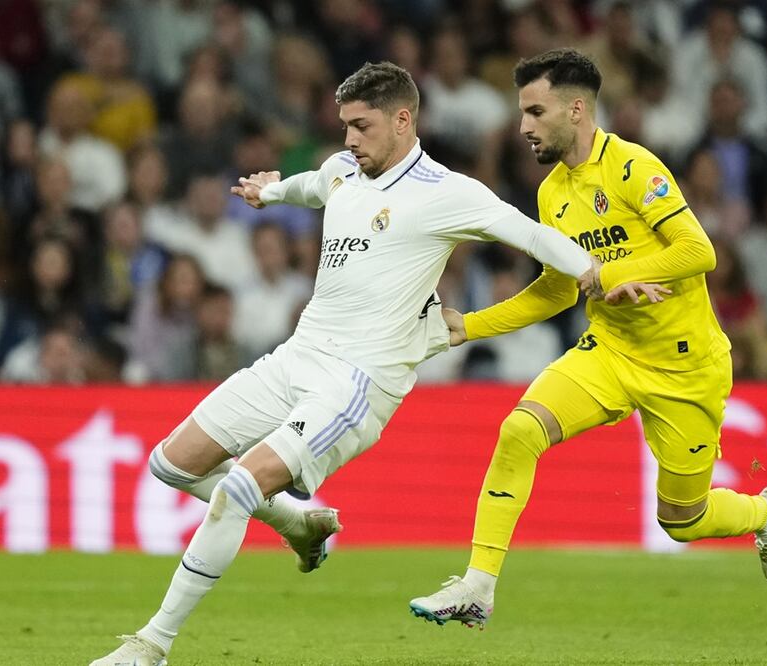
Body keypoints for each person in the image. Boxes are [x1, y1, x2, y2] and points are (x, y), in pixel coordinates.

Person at [90, 61, 655, 666]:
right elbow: (315, 184)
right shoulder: (343, 171)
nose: (348, 139)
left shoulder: (447, 193)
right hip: (295, 359)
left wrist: (597, 273)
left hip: (356, 385)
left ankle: (152, 645)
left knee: (238, 485)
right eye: (344, 127)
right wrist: (271, 191)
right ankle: (296, 524)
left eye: (361, 126)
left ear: (402, 120)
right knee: (170, 464)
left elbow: (531, 236)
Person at [408, 49, 767, 629]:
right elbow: (558, 292)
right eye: (522, 113)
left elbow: (700, 251)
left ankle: (766, 513)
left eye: (536, 112)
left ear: (576, 108)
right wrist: (472, 326)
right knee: (519, 430)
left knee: (682, 520)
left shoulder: (635, 168)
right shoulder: (551, 193)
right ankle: (478, 587)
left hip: (684, 368)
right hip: (610, 352)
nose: (523, 127)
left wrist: (610, 274)